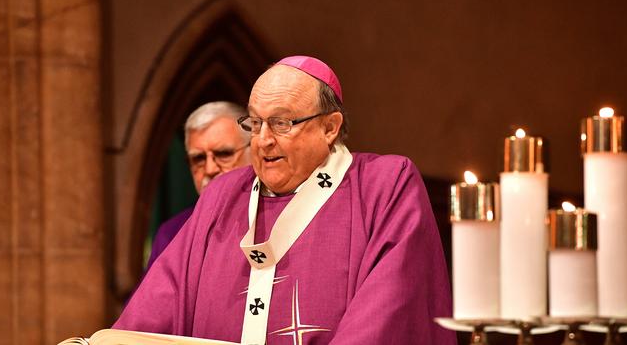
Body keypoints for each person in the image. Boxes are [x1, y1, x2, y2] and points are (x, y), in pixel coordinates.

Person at [114, 56, 455, 344]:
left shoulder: (384, 186)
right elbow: (156, 305)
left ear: (329, 127)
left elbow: (388, 311)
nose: (262, 141)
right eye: (256, 122)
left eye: (280, 123)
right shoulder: (222, 196)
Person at [145, 101, 251, 271]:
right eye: (199, 159)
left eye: (224, 154)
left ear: (254, 152)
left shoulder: (276, 219)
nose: (210, 169)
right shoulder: (172, 233)